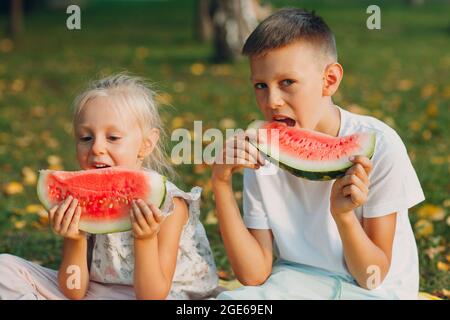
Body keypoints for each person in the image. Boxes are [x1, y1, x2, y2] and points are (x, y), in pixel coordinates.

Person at [212, 8, 425, 300]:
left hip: (373, 292)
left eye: (287, 83)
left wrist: (344, 217)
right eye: (261, 86)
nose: (272, 101)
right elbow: (254, 275)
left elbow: (371, 277)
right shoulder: (261, 151)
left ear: (330, 80)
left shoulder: (381, 146)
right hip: (295, 283)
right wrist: (221, 183)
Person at [0, 73, 219, 300]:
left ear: (146, 144)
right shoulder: (79, 201)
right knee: (4, 269)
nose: (97, 148)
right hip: (98, 292)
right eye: (86, 138)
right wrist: (75, 239)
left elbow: (152, 295)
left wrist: (145, 239)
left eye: (113, 137)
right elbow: (73, 291)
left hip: (163, 294)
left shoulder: (170, 206)